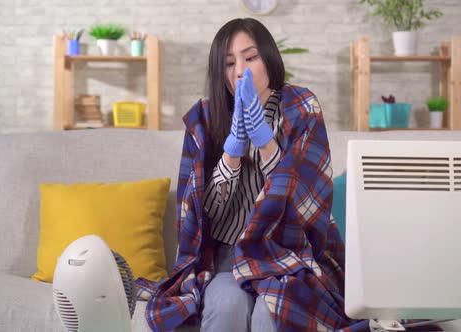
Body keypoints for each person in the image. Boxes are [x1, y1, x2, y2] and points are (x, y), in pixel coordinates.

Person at [136, 18, 369, 332]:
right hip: (227, 257)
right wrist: (232, 151)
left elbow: (307, 205)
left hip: (288, 254)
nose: (240, 71)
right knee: (225, 308)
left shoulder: (302, 108)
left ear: (269, 59)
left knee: (271, 314)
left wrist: (265, 142)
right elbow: (203, 217)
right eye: (229, 63)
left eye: (251, 57)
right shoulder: (205, 118)